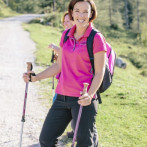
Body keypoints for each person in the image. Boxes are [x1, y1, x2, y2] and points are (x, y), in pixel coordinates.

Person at [23, 0, 107, 146]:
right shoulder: (66, 34)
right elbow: (59, 65)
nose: (81, 15)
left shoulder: (96, 38)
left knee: (84, 143)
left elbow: (100, 72)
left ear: (91, 14)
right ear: (71, 12)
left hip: (83, 99)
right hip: (61, 97)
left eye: (85, 11)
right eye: (77, 11)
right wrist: (36, 78)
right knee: (46, 139)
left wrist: (90, 94)